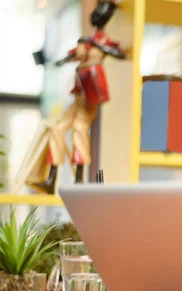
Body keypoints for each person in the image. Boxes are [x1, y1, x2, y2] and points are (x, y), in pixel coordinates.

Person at [18, 0, 125, 195]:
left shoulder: (102, 41)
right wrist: (60, 60)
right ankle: (51, 178)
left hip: (91, 91)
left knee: (79, 129)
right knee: (57, 128)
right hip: (79, 90)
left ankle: (79, 179)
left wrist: (96, 45)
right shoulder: (86, 40)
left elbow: (119, 53)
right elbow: (71, 56)